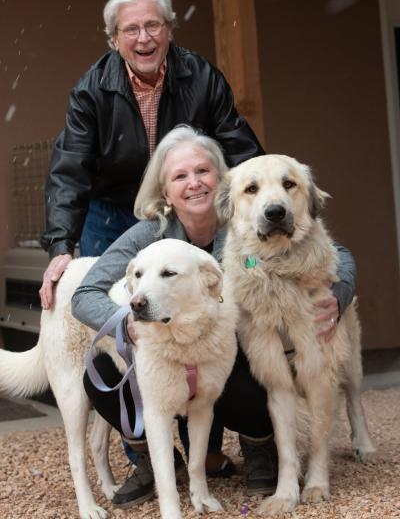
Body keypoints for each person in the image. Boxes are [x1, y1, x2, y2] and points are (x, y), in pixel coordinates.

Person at [71, 125, 356, 508]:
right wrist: (125, 320)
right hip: (167, 358)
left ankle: (257, 447)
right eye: (180, 176)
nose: (194, 183)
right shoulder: (147, 236)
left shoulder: (242, 218)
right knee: (103, 376)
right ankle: (155, 461)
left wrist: (339, 293)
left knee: (249, 372)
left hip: (227, 356)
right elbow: (84, 294)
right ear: (166, 192)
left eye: (202, 172)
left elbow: (334, 251)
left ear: (220, 180)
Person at [39, 0, 264, 311]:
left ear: (169, 31)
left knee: (192, 303)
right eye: (131, 29)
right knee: (108, 301)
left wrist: (266, 207)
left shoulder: (201, 77)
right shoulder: (91, 91)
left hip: (181, 209)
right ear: (114, 40)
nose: (144, 38)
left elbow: (241, 151)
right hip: (111, 212)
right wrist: (60, 245)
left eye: (153, 25)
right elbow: (70, 169)